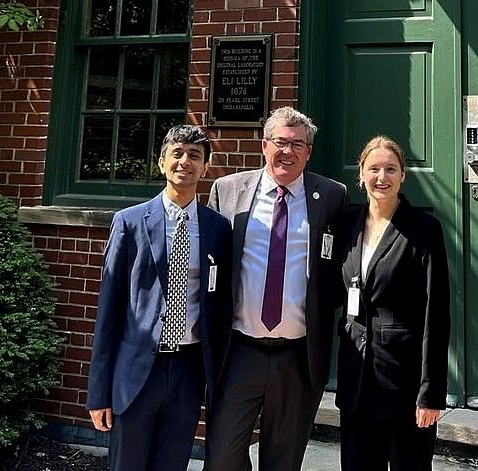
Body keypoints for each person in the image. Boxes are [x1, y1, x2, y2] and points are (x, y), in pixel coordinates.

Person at [204, 105, 347, 471]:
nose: (288, 151)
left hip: (298, 357)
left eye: (298, 144)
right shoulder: (228, 190)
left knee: (283, 462)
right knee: (222, 457)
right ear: (264, 145)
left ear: (309, 151)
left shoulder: (331, 196)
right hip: (239, 351)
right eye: (280, 142)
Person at [86, 124, 232, 471]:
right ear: (161, 162)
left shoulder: (218, 228)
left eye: (194, 156)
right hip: (137, 372)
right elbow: (108, 311)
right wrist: (99, 392)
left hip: (188, 371)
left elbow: (221, 305)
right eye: (177, 154)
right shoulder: (130, 223)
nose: (185, 162)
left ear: (205, 167)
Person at [336, 135, 451, 471]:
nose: (381, 177)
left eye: (390, 169)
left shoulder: (424, 229)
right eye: (373, 169)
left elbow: (437, 315)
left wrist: (431, 393)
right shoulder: (345, 224)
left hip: (404, 388)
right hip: (356, 383)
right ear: (361, 174)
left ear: (403, 175)